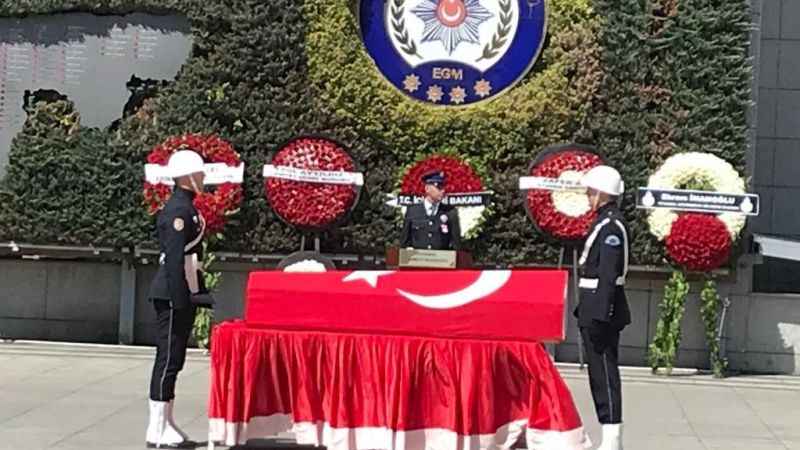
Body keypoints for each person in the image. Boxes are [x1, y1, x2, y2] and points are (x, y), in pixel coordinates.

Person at [145, 150, 207, 448]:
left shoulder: (187, 208)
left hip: (181, 290)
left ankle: (167, 421)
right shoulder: (177, 212)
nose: (204, 177)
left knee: (176, 359)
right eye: (200, 172)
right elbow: (173, 261)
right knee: (167, 359)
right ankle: (155, 428)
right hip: (171, 293)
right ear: (187, 176)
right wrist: (181, 299)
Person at [575, 165, 631, 450]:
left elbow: (608, 275)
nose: (587, 196)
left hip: (601, 308)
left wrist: (600, 313)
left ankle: (612, 439)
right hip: (594, 306)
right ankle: (608, 434)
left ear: (601, 193)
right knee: (599, 373)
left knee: (605, 373)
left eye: (590, 191)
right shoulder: (603, 222)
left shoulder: (611, 227)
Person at [401, 171, 460, 250]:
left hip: (441, 260)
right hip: (417, 260)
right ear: (427, 189)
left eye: (443, 187)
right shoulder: (412, 211)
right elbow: (404, 242)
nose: (443, 191)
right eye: (438, 187)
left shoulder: (450, 212)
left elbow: (456, 244)